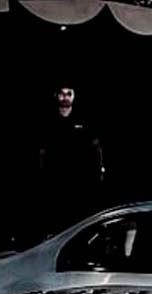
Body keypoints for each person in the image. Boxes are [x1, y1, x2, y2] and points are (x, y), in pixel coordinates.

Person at [36, 84, 105, 230]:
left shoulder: (84, 118)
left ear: (74, 96)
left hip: (80, 180)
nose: (65, 97)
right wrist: (41, 174)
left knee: (80, 219)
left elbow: (97, 147)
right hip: (55, 180)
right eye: (62, 93)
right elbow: (41, 152)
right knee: (57, 219)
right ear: (56, 96)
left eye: (69, 93)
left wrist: (100, 169)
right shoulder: (46, 120)